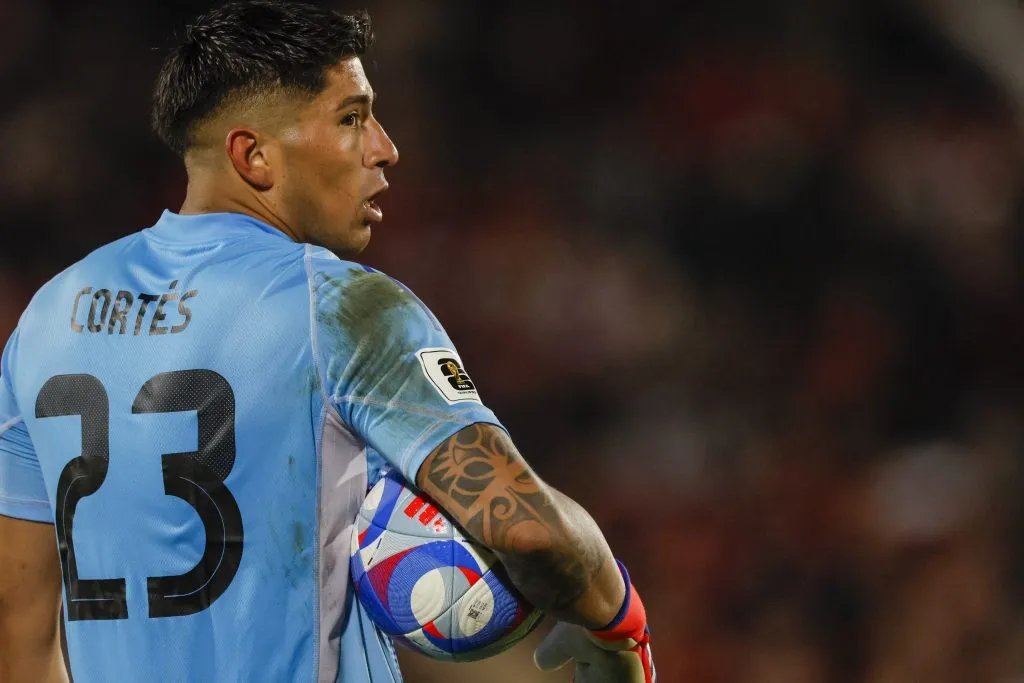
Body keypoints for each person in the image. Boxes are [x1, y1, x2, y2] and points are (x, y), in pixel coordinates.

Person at [0, 2, 655, 682]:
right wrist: (618, 626)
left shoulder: (49, 315)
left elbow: (16, 637)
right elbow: (530, 531)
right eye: (351, 118)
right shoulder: (341, 306)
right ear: (253, 155)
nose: (384, 146)